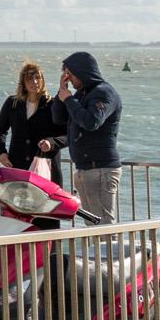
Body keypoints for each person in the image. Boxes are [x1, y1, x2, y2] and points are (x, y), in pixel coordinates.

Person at [52, 50, 124, 224]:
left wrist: (69, 100)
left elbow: (92, 121)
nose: (69, 79)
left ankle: (111, 252)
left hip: (101, 169)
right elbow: (58, 119)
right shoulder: (81, 95)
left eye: (70, 75)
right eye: (66, 75)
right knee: (93, 226)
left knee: (104, 225)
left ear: (82, 73)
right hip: (86, 169)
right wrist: (62, 93)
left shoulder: (104, 93)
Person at [0, 60, 63, 173]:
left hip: (46, 166)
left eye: (37, 77)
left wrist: (51, 143)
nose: (34, 82)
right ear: (23, 82)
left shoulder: (53, 104)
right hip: (18, 164)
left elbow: (67, 134)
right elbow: (0, 129)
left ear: (43, 80)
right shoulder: (12, 103)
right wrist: (1, 152)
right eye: (29, 79)